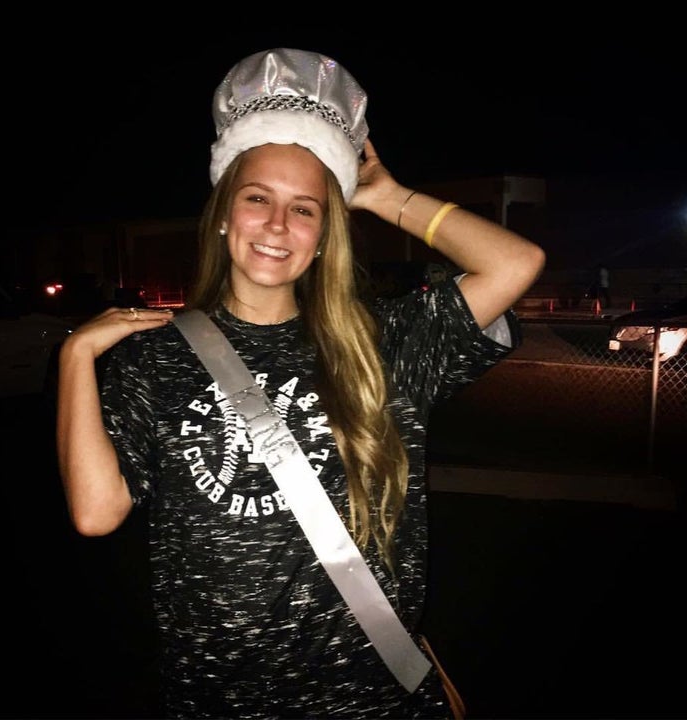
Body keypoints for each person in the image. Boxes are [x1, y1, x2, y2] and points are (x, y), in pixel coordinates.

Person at [56, 47, 545, 719]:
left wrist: (384, 195)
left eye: (306, 209)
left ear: (323, 235)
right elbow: (96, 511)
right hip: (219, 699)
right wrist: (76, 357)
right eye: (258, 199)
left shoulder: (383, 342)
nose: (279, 226)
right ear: (225, 212)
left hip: (370, 695)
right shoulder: (154, 361)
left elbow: (517, 262)